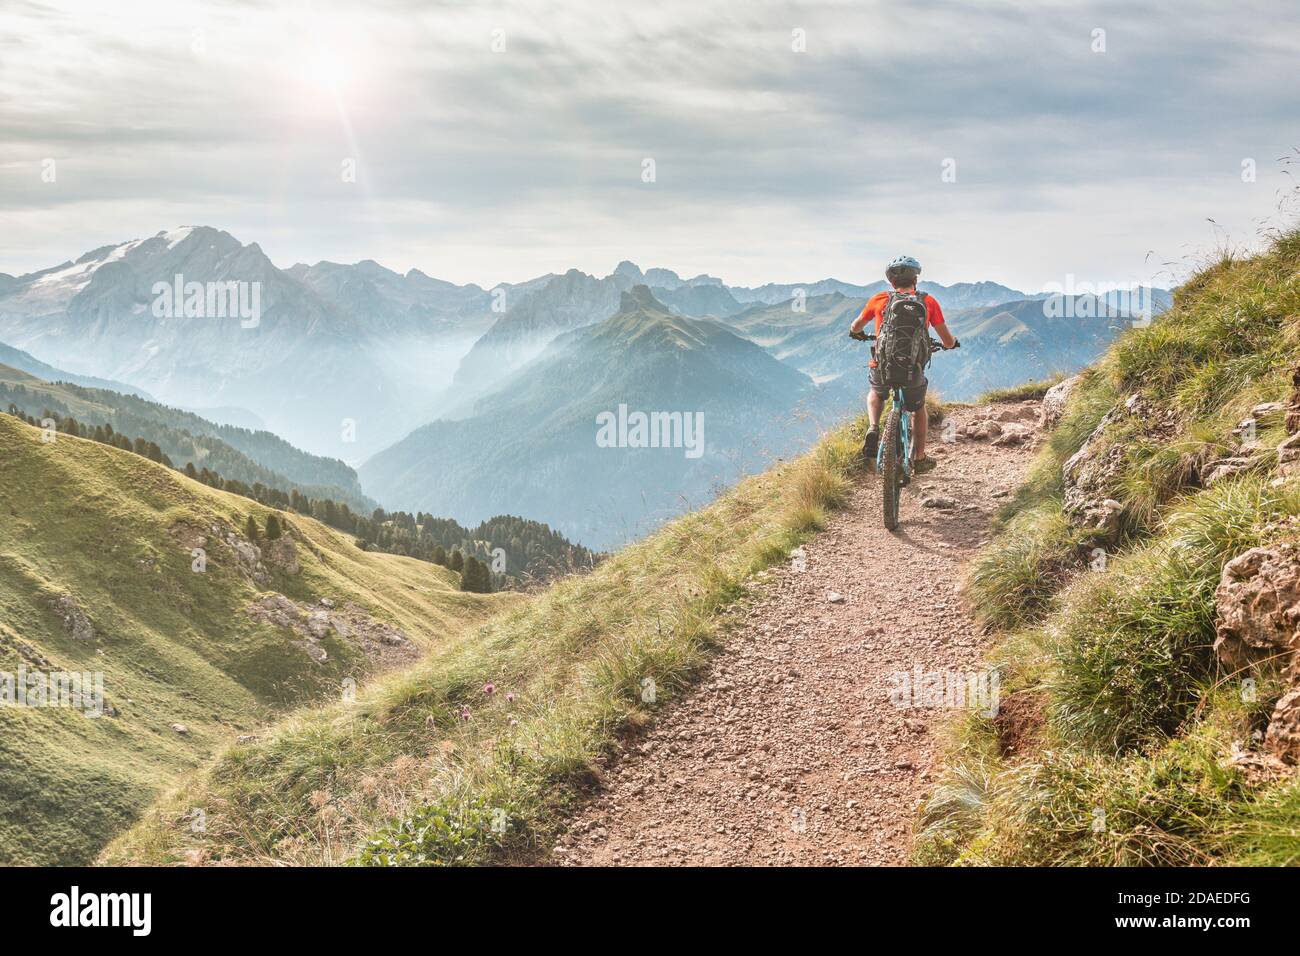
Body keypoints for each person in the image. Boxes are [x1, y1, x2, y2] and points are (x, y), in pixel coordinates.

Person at [849, 255, 957, 474]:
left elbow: (856, 325)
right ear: (915, 279)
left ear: (891, 282)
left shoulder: (880, 299)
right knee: (918, 408)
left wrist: (856, 333)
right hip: (912, 369)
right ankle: (919, 458)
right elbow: (946, 340)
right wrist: (951, 344)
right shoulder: (928, 302)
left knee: (876, 393)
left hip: (883, 365)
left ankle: (873, 427)